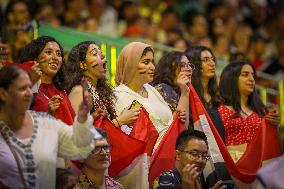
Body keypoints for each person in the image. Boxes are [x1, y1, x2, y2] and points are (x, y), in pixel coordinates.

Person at [0, 65, 95, 189]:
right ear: (3, 94)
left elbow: (80, 148)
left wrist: (82, 118)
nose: (29, 93)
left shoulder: (43, 122)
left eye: (30, 87)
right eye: (22, 88)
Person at [115, 41, 188, 144]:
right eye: (146, 62)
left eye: (152, 62)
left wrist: (176, 117)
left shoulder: (152, 90)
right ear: (130, 64)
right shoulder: (118, 95)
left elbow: (166, 125)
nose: (153, 67)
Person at [63, 40, 139, 127]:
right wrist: (120, 121)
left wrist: (122, 118)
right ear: (83, 65)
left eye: (101, 52)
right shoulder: (79, 91)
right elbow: (77, 133)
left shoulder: (100, 93)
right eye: (95, 54)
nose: (103, 55)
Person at [17, 36, 75, 125]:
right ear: (35, 57)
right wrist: (48, 114)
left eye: (59, 54)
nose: (55, 58)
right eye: (48, 52)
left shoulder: (62, 91)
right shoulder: (25, 86)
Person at [153, 129, 225, 189]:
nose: (200, 160)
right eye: (194, 153)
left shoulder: (205, 178)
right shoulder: (167, 179)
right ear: (178, 155)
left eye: (204, 155)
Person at [184, 46, 225, 141]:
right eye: (206, 60)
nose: (212, 63)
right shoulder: (187, 93)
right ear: (194, 64)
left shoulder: (217, 96)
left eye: (213, 59)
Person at [151, 51, 192, 126]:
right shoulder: (162, 89)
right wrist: (185, 93)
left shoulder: (186, 92)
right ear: (169, 69)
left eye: (189, 65)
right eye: (183, 65)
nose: (189, 69)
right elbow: (181, 127)